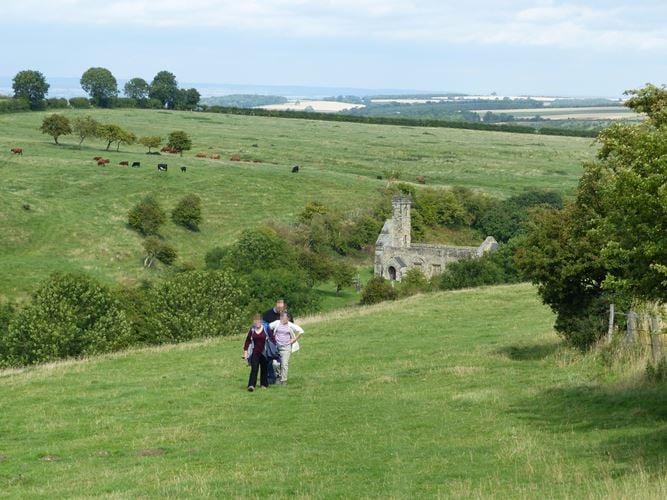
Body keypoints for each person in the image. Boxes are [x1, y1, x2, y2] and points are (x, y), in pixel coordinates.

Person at [243, 314, 277, 392]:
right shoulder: (252, 330)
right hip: (255, 352)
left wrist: (276, 349)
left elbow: (272, 338)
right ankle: (251, 385)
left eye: (258, 321)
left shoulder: (266, 328)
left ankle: (264, 384)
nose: (257, 322)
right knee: (254, 369)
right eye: (255, 321)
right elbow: (247, 341)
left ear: (261, 321)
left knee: (264, 369)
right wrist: (245, 352)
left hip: (264, 352)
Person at [269, 311, 304, 386]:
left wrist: (294, 339)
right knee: (275, 364)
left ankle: (283, 380)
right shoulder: (277, 323)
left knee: (284, 364)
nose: (281, 318)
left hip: (286, 347)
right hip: (276, 347)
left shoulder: (290, 325)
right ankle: (278, 376)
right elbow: (268, 327)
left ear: (288, 318)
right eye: (281, 317)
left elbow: (301, 331)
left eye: (283, 317)